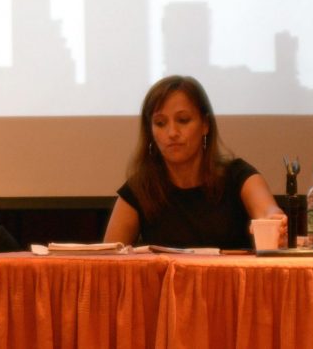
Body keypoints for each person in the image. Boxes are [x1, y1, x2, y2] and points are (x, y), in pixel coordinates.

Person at [103, 75, 286, 249]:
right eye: (160, 123)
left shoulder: (237, 175)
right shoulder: (140, 188)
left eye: (183, 120)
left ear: (205, 124)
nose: (172, 132)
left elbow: (266, 211)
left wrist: (273, 220)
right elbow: (107, 261)